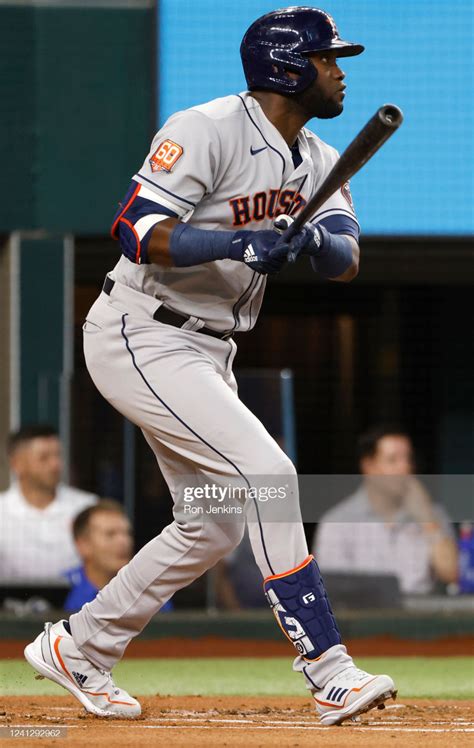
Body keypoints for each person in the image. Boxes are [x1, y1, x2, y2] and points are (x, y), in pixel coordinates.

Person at [24, 7, 396, 725]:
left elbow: (348, 258)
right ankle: (329, 670)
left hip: (209, 350)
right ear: (288, 67)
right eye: (327, 59)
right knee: (268, 475)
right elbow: (135, 228)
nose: (340, 71)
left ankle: (83, 644)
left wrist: (314, 241)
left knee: (213, 523)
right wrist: (234, 244)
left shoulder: (315, 158)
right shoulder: (206, 127)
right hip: (143, 330)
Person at [313, 426, 459, 594]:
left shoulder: (433, 515)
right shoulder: (337, 522)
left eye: (408, 459)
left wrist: (426, 519)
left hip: (423, 616)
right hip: (364, 616)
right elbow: (329, 590)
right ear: (368, 466)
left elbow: (452, 575)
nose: (405, 468)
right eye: (393, 460)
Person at [0, 425, 96, 580]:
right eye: (44, 457)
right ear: (17, 464)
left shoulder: (87, 508)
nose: (55, 465)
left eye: (58, 455)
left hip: (78, 604)